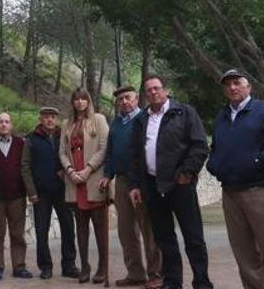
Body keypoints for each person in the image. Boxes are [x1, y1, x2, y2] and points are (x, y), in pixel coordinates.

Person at [207, 69, 264, 289]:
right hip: (230, 193)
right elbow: (216, 148)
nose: (232, 87)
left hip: (259, 191)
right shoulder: (222, 116)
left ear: (248, 87)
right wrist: (215, 165)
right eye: (228, 84)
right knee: (244, 254)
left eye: (237, 83)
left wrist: (259, 160)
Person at [129, 75, 213, 289]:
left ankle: (201, 281)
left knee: (193, 237)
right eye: (149, 90)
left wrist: (187, 173)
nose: (153, 92)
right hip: (153, 186)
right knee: (165, 238)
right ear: (145, 94)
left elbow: (199, 146)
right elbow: (135, 155)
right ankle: (173, 281)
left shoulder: (184, 113)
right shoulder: (141, 120)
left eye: (157, 88)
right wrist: (136, 185)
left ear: (166, 90)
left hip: (180, 185)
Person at [99, 86, 162, 289]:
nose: (124, 102)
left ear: (136, 99)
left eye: (128, 98)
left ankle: (156, 274)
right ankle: (135, 273)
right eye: (120, 99)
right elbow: (110, 152)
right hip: (122, 181)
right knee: (126, 230)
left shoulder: (144, 119)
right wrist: (107, 175)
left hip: (142, 181)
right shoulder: (116, 123)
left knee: (148, 229)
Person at [21, 107, 79, 280]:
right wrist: (31, 191)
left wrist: (66, 173)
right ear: (41, 119)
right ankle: (45, 266)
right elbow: (25, 166)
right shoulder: (31, 139)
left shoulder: (64, 136)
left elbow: (74, 157)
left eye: (52, 117)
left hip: (62, 191)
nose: (49, 120)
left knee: (68, 228)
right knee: (41, 231)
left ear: (56, 119)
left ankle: (69, 265)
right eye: (46, 117)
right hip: (41, 193)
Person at [60, 87, 110, 284]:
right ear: (72, 102)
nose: (80, 102)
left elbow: (104, 147)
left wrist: (88, 169)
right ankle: (85, 267)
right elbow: (62, 152)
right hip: (75, 182)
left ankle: (102, 268)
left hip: (93, 180)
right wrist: (71, 171)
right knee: (81, 229)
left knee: (100, 228)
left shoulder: (98, 119)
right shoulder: (66, 124)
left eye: (83, 99)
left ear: (88, 101)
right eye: (76, 99)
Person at [0, 112, 32, 281]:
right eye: (0, 122)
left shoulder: (21, 143)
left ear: (11, 125)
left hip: (17, 195)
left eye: (7, 121)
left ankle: (19, 266)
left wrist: (30, 191)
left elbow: (26, 167)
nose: (4, 124)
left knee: (17, 234)